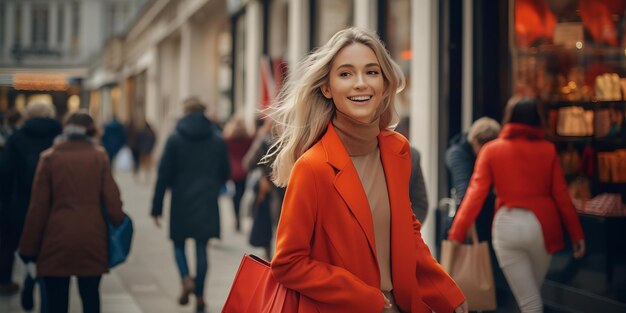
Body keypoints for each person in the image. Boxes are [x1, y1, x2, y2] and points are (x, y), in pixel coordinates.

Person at [265, 27, 467, 313]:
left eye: (372, 72)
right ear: (327, 87)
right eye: (345, 74)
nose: (360, 83)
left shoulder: (398, 150)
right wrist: (364, 296)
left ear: (385, 84)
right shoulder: (312, 167)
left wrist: (446, 293)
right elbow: (288, 264)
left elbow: (407, 237)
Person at [448, 97, 586, 313]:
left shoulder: (491, 150)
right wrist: (577, 235)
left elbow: (474, 195)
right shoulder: (547, 150)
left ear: (508, 118)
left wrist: (456, 234)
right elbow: (561, 196)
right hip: (543, 228)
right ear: (537, 119)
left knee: (529, 301)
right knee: (532, 296)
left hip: (507, 227)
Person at [18, 111, 126, 313]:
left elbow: (37, 208)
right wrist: (119, 223)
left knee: (57, 302)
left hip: (56, 238)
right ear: (91, 132)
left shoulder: (49, 158)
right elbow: (113, 203)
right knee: (91, 297)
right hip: (92, 237)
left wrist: (28, 249)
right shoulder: (99, 157)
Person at [151, 97, 230, 313]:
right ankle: (201, 294)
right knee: (202, 248)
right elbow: (225, 172)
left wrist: (156, 207)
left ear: (185, 112)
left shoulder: (175, 138)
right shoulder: (216, 138)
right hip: (206, 199)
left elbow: (163, 174)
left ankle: (186, 278)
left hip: (181, 200)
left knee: (178, 243)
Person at [0, 101, 61, 311]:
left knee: (20, 246)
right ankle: (40, 287)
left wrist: (7, 202)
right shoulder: (59, 137)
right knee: (48, 249)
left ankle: (26, 277)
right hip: (54, 206)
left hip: (21, 203)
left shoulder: (17, 138)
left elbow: (5, 173)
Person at [445, 117, 501, 241]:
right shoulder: (458, 154)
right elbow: (464, 192)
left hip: (485, 218)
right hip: (471, 222)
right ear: (475, 141)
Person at [223, 115, 254, 232]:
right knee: (241, 195)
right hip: (244, 170)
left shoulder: (228, 138)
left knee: (234, 196)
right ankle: (239, 217)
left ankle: (236, 218)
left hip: (232, 170)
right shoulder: (248, 138)